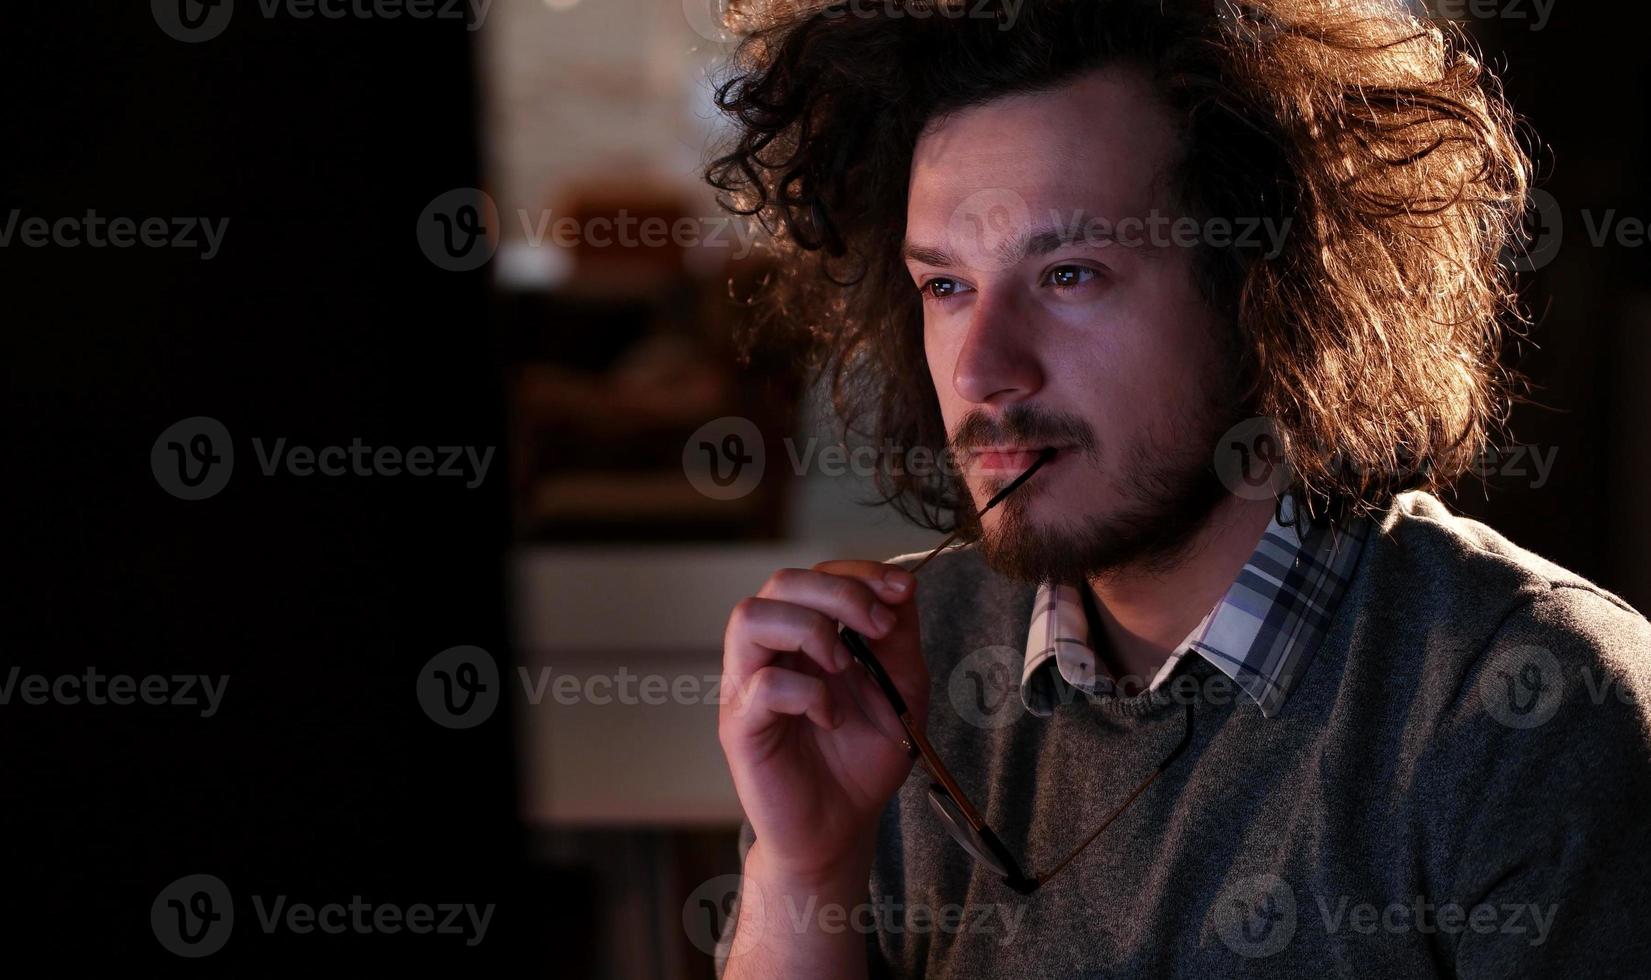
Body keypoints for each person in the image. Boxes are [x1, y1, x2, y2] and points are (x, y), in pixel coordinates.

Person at [705, 0, 1651, 976]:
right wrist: (805, 869)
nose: (981, 368)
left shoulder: (1526, 708)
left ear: (1266, 287)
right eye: (944, 286)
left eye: (1069, 273)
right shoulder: (884, 673)